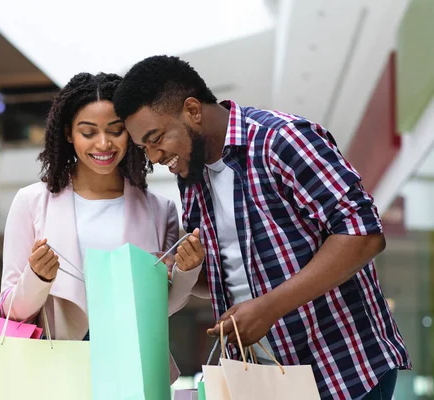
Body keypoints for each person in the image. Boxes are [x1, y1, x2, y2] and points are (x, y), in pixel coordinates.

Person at [112, 55, 410, 399]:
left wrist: (269, 308)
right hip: (261, 378)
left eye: (156, 137)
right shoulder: (192, 175)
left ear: (192, 110)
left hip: (341, 370)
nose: (153, 156)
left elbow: (363, 234)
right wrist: (183, 268)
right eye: (143, 147)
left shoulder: (281, 139)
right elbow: (231, 276)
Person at [0, 72, 204, 382]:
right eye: (88, 132)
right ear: (69, 134)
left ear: (131, 134)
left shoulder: (160, 210)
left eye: (116, 131)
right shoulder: (31, 202)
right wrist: (38, 278)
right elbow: (12, 310)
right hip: (56, 369)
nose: (103, 143)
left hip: (134, 368)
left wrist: (187, 273)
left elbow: (161, 310)